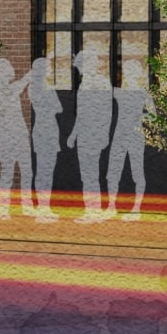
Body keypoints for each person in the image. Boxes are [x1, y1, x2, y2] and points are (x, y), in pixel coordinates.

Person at [68, 47, 118, 222]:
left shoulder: (101, 83)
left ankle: (93, 212)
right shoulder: (84, 84)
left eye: (81, 65)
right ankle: (91, 210)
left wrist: (103, 134)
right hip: (83, 134)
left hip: (93, 134)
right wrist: (73, 135)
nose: (79, 69)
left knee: (91, 173)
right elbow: (81, 113)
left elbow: (106, 111)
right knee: (86, 174)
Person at [0, 56, 36, 221]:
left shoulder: (6, 90)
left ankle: (26, 207)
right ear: (1, 74)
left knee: (26, 172)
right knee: (8, 174)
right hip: (9, 140)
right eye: (8, 68)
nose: (11, 70)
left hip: (20, 138)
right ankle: (4, 209)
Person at [109, 55, 154, 221]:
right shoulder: (119, 93)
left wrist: (139, 117)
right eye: (126, 71)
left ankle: (136, 209)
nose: (128, 74)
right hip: (119, 135)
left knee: (137, 171)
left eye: (130, 71)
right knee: (114, 171)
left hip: (135, 135)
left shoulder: (143, 94)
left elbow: (154, 117)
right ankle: (111, 206)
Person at [22, 60, 66, 221]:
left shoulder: (45, 87)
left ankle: (45, 206)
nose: (50, 70)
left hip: (50, 131)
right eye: (47, 67)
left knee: (48, 170)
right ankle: (42, 207)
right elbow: (51, 108)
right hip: (43, 131)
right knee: (43, 170)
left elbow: (58, 108)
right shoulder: (36, 87)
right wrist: (51, 105)